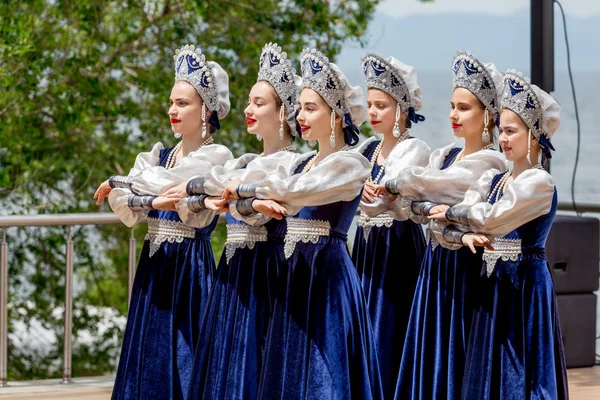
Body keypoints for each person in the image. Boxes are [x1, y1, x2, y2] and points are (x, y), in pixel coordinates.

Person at [225, 48, 383, 399]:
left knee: (327, 371)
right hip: (294, 273)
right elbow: (256, 200)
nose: (300, 116)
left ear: (338, 116)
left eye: (311, 109)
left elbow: (295, 192)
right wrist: (246, 197)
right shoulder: (300, 163)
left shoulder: (351, 164)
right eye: (300, 108)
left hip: (328, 276)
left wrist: (241, 188)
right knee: (289, 370)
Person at [95, 44, 232, 400]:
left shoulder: (215, 157)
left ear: (206, 109)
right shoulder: (159, 155)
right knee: (147, 357)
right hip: (155, 264)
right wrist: (146, 197)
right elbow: (123, 203)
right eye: (172, 102)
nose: (173, 110)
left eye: (183, 103)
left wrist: (124, 181)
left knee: (185, 360)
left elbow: (166, 187)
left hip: (189, 270)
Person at [429, 69, 568, 399]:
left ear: (534, 134)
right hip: (491, 284)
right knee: (485, 370)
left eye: (511, 131)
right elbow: (438, 226)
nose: (503, 138)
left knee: (523, 370)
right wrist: (459, 232)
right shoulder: (492, 180)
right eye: (500, 130)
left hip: (524, 287)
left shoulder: (539, 182)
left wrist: (449, 213)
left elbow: (490, 218)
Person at [375, 52, 507, 400]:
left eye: (464, 108)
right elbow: (414, 207)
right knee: (430, 349)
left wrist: (408, 189)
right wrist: (424, 200)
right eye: (452, 106)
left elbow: (421, 185)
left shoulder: (489, 163)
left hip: (468, 265)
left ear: (488, 115)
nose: (453, 115)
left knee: (458, 351)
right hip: (434, 263)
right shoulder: (444, 155)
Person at [351, 53, 431, 399]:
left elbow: (385, 200)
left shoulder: (415, 149)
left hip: (397, 248)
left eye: (381, 105)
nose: (372, 113)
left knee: (390, 327)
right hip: (368, 249)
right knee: (365, 327)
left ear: (402, 107)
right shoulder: (366, 149)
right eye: (369, 105)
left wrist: (363, 191)